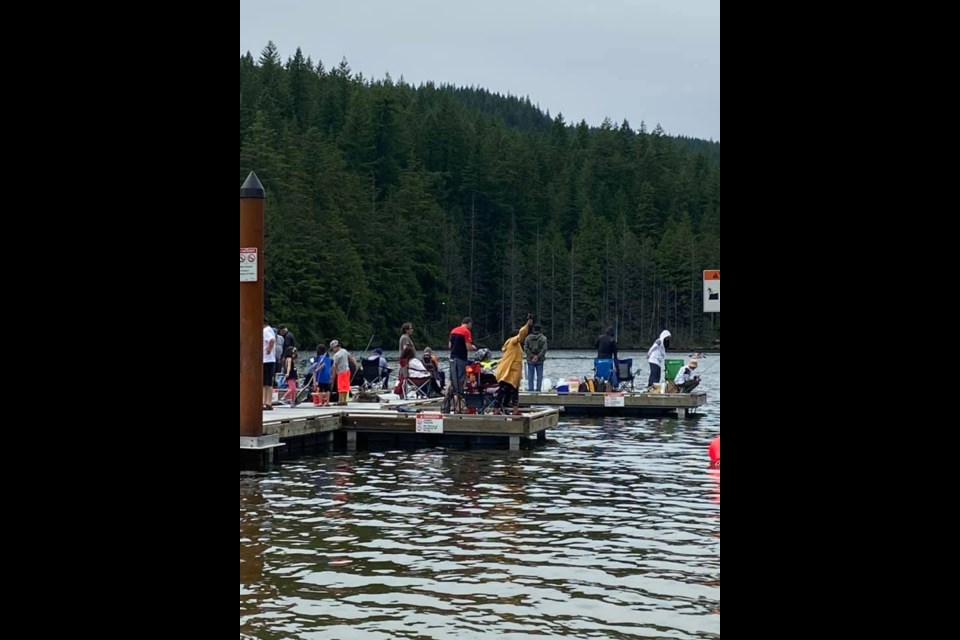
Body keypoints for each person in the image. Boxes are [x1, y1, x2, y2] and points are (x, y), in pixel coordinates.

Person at [494, 314, 533, 415]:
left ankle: (513, 409)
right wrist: (527, 325)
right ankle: (496, 409)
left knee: (514, 392)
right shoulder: (512, 342)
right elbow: (521, 334)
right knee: (503, 390)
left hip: (514, 373)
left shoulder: (516, 346)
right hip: (508, 372)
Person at [448, 317, 477, 397]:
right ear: (469, 323)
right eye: (471, 325)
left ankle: (449, 395)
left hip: (452, 358)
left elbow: (450, 345)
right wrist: (473, 347)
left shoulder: (453, 330)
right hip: (461, 358)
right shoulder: (466, 331)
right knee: (461, 378)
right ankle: (459, 396)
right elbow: (468, 347)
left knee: (452, 378)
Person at [523, 324, 548, 391]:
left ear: (533, 330)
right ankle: (538, 389)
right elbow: (544, 349)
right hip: (540, 359)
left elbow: (525, 348)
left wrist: (531, 356)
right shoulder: (543, 338)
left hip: (530, 359)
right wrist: (538, 356)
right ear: (540, 330)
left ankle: (530, 389)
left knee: (530, 375)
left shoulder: (527, 338)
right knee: (539, 375)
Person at [329, 340, 352, 406]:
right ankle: (344, 400)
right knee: (345, 387)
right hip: (347, 371)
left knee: (341, 387)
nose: (333, 350)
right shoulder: (344, 351)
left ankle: (340, 401)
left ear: (335, 347)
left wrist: (333, 376)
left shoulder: (336, 355)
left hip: (341, 372)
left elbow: (335, 366)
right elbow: (350, 358)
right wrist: (356, 365)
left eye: (333, 348)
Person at [262, 318, 277, 411]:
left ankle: (264, 402)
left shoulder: (265, 331)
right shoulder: (270, 329)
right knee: (268, 382)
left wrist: (268, 350)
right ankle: (268, 402)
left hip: (266, 359)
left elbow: (271, 340)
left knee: (264, 383)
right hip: (270, 359)